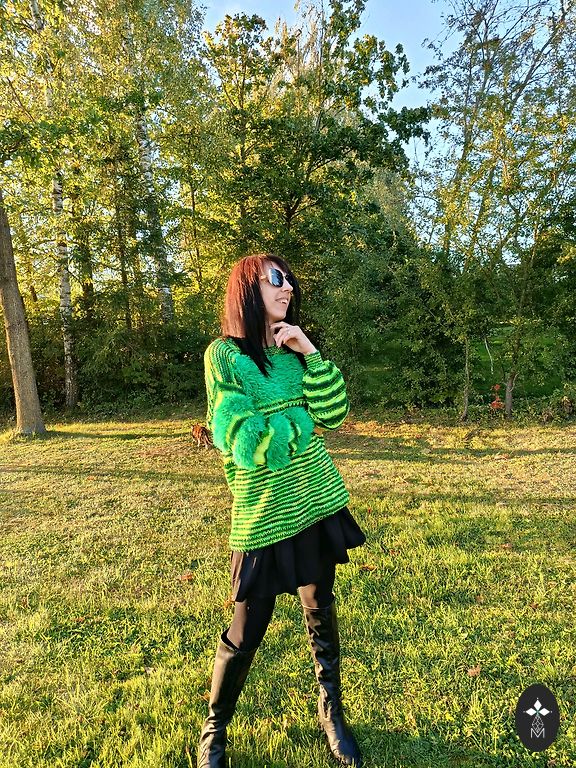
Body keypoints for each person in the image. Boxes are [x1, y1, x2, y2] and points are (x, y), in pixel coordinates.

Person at [198, 253, 366, 768]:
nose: (287, 286)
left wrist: (309, 351)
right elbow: (242, 438)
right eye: (276, 279)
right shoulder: (224, 356)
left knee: (320, 610)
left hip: (316, 504)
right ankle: (214, 730)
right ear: (248, 289)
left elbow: (333, 412)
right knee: (245, 631)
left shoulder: (295, 353)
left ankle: (331, 712)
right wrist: (299, 421)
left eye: (289, 279)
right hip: (264, 515)